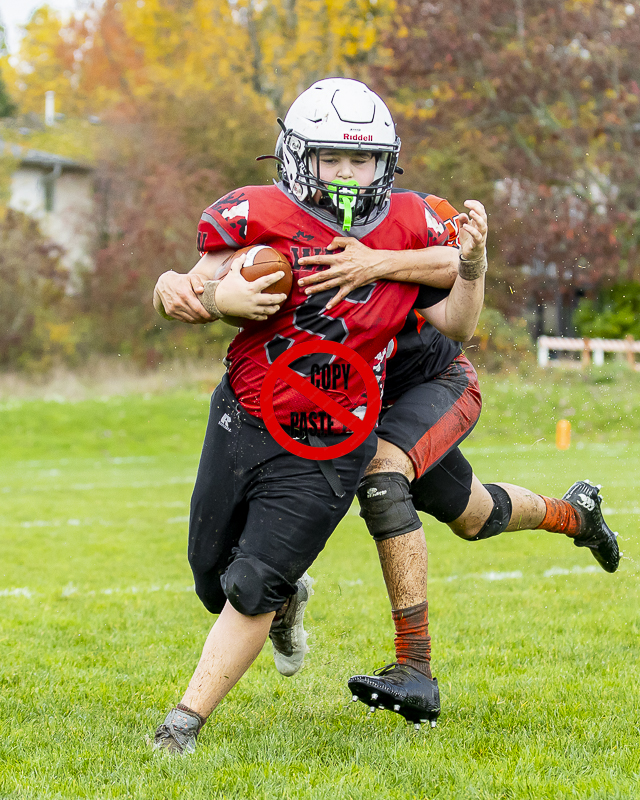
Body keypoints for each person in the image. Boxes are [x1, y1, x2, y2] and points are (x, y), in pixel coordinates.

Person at [150, 77, 488, 753]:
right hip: (245, 413)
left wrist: (473, 268)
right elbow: (187, 287)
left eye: (358, 159)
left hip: (335, 435)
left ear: (383, 164)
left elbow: (455, 323)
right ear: (298, 154)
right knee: (211, 577)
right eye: (330, 156)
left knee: (253, 582)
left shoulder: (409, 224)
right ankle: (288, 599)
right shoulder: (258, 213)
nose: (344, 171)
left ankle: (181, 726)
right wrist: (204, 298)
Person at [295, 193, 621, 730]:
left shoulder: (417, 215)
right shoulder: (296, 227)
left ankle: (415, 668)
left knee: (381, 477)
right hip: (362, 404)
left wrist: (390, 261)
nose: (344, 177)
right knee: (473, 516)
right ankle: (578, 515)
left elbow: (459, 302)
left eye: (356, 161)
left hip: (435, 384)